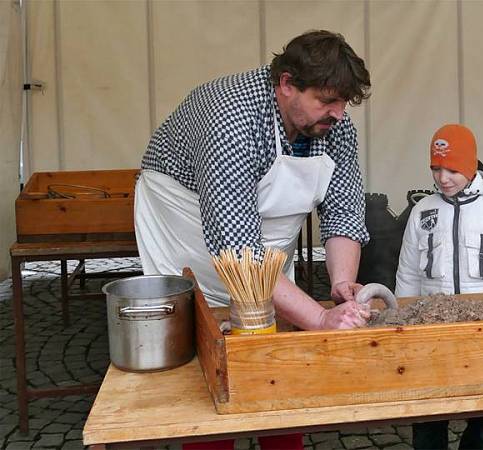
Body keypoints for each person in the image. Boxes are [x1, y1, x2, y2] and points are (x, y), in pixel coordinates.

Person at [135, 30, 372, 450]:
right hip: (183, 219)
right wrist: (318, 319)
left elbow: (344, 212)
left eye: (343, 103)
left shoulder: (334, 124)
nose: (337, 113)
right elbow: (239, 249)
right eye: (327, 101)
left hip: (263, 237)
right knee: (205, 348)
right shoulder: (232, 117)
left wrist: (342, 284)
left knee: (272, 338)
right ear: (286, 84)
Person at [396, 124, 483, 450]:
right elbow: (407, 273)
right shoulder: (422, 211)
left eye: (453, 169)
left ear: (471, 166)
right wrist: (403, 318)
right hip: (431, 330)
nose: (443, 178)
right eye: (436, 169)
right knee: (429, 413)